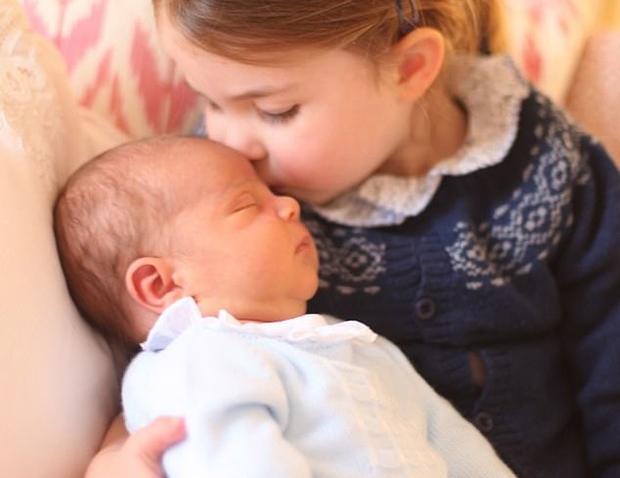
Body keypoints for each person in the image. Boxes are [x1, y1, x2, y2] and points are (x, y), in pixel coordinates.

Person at [88, 0, 620, 476]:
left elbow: (609, 350)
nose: (230, 141)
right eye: (209, 101)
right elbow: (173, 352)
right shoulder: (227, 193)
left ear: (409, 68)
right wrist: (118, 453)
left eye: (276, 111)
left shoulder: (549, 166)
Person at [54, 135, 516, 478]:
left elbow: (453, 444)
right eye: (246, 205)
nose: (289, 206)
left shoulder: (353, 343)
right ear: (162, 283)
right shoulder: (197, 361)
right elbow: (239, 463)